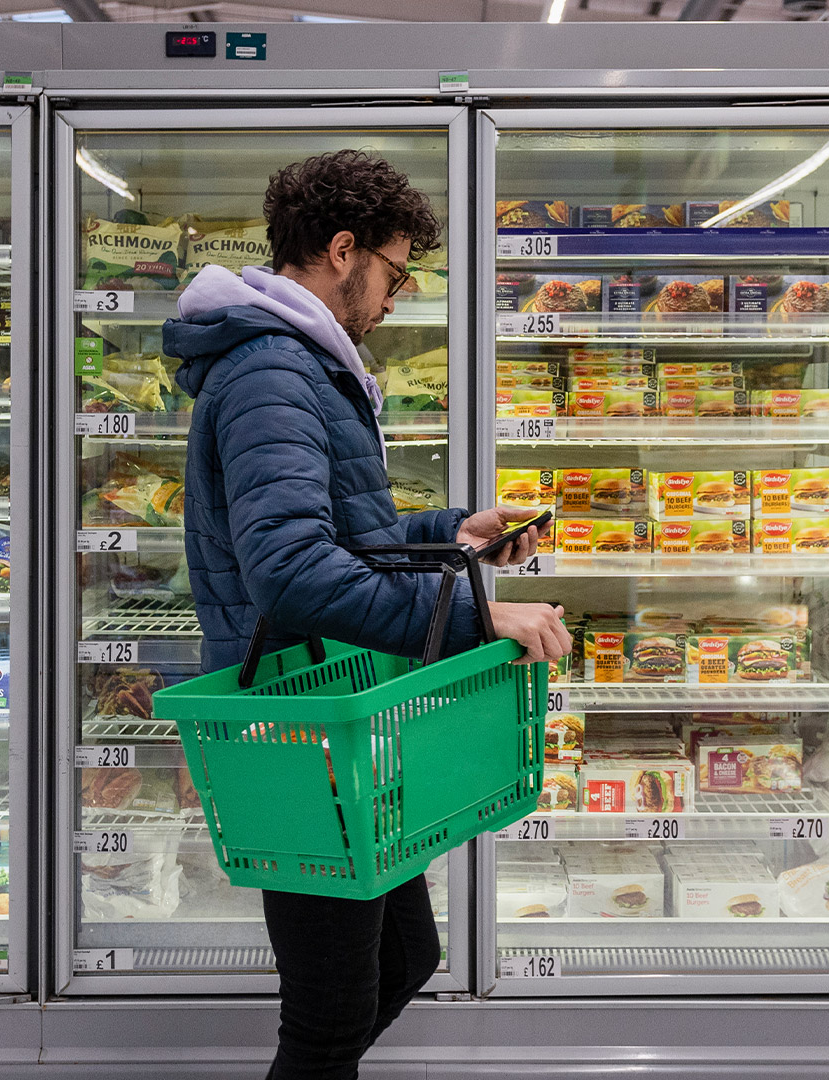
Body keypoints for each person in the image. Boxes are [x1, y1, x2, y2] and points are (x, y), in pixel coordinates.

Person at [163, 149, 572, 1080]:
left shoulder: (302, 361)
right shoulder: (273, 371)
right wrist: (481, 619)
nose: (396, 297)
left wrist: (449, 539)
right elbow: (295, 574)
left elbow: (339, 532)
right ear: (343, 251)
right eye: (395, 271)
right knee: (327, 1023)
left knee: (404, 960)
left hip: (336, 709)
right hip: (297, 722)